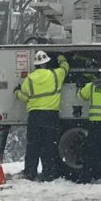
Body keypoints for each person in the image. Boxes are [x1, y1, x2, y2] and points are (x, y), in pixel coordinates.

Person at [14, 50, 69, 181]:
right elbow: (65, 68)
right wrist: (61, 57)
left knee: (33, 146)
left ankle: (30, 173)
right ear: (46, 63)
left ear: (36, 65)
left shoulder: (29, 79)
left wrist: (16, 92)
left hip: (35, 116)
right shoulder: (56, 75)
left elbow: (25, 97)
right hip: (51, 116)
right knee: (49, 146)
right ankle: (49, 173)